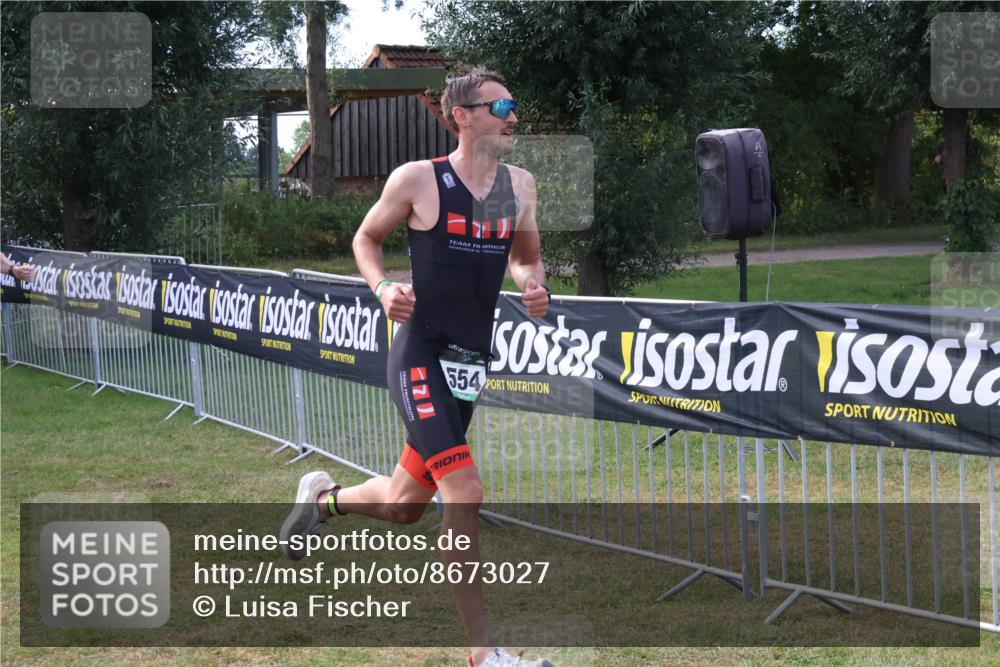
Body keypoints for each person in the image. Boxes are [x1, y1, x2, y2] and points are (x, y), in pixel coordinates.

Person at [281, 66, 552, 667]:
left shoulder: (519, 186)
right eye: (500, 107)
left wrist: (534, 287)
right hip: (420, 350)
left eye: (513, 106)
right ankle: (485, 655)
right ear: (462, 115)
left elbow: (527, 260)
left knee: (406, 505)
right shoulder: (418, 180)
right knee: (465, 490)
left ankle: (323, 498)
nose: (513, 118)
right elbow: (365, 239)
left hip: (469, 361)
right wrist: (381, 289)